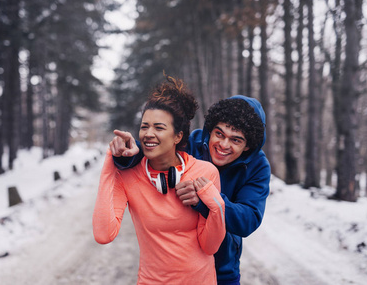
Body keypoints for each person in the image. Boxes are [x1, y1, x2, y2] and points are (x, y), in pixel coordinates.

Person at [111, 95, 271, 285]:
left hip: (223, 269)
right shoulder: (190, 142)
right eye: (219, 134)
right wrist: (128, 154)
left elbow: (248, 219)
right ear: (210, 130)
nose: (224, 145)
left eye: (236, 140)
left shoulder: (258, 166)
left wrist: (206, 200)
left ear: (248, 146)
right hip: (172, 271)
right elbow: (157, 150)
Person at [93, 75, 226, 284]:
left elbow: (210, 246)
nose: (148, 133)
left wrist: (216, 205)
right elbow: (103, 234)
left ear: (178, 136)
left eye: (159, 127)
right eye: (145, 126)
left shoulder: (205, 172)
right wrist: (112, 159)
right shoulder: (129, 176)